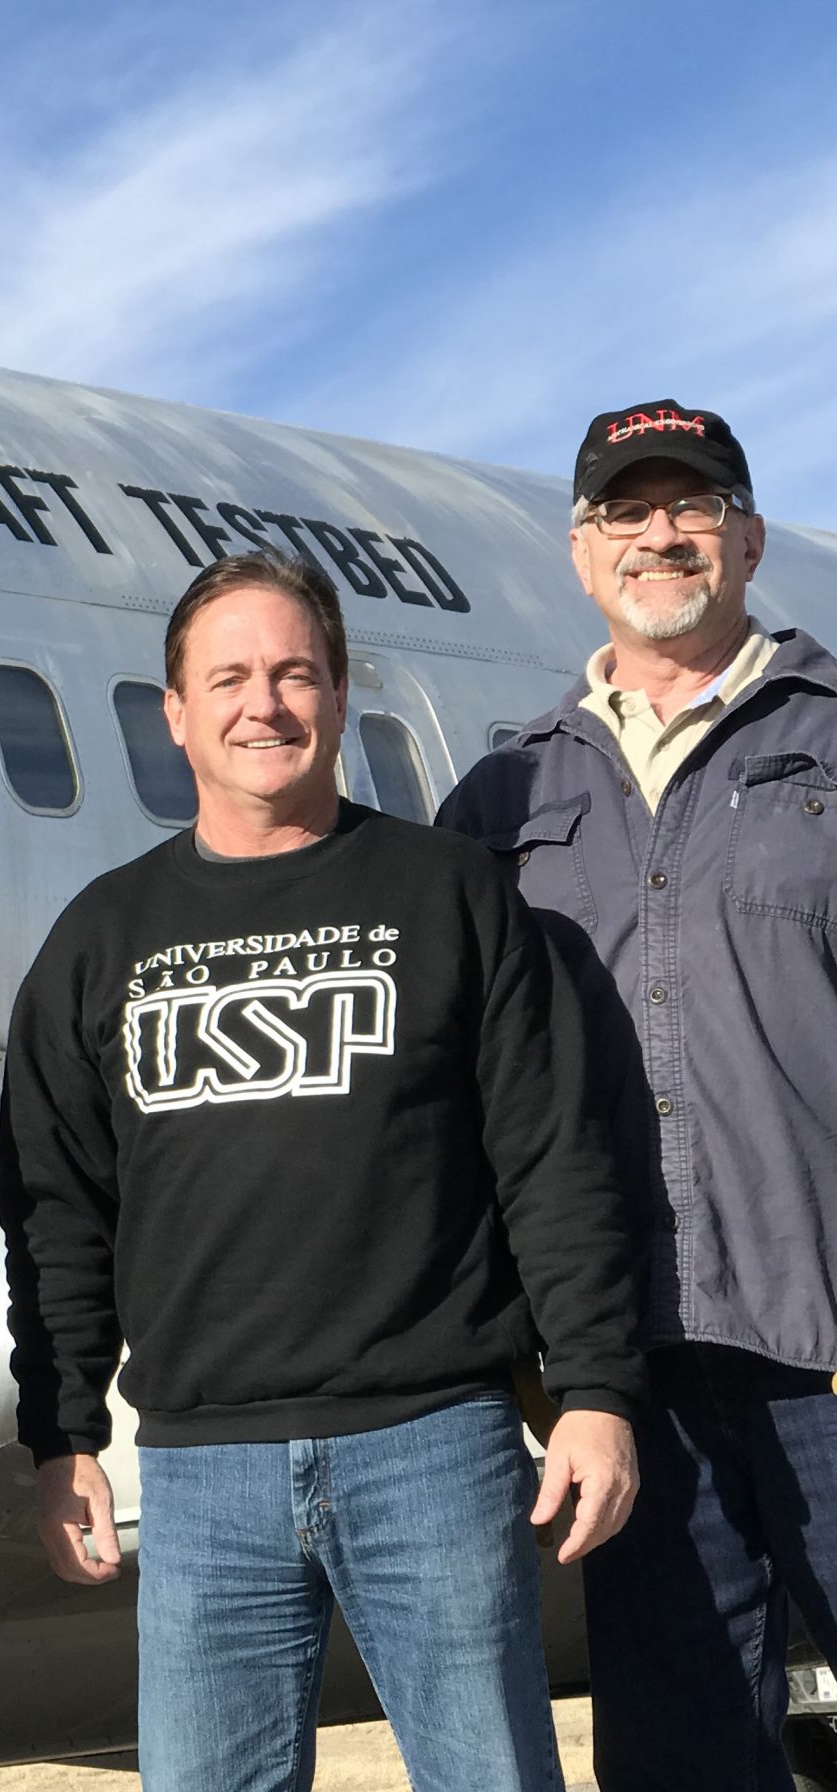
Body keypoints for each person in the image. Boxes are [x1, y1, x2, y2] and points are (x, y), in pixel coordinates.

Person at [0, 549, 643, 1792]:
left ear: (341, 696)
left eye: (296, 673)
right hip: (198, 1475)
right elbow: (56, 1210)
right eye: (228, 677)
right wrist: (62, 1434)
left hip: (435, 1448)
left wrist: (598, 1392)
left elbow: (552, 1162)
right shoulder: (101, 937)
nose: (265, 704)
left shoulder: (448, 893)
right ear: (174, 711)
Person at [439, 399, 837, 1787]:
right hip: (630, 1367)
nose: (659, 534)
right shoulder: (503, 797)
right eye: (625, 511)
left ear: (747, 533)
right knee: (681, 1754)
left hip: (827, 1336)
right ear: (579, 550)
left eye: (691, 505)